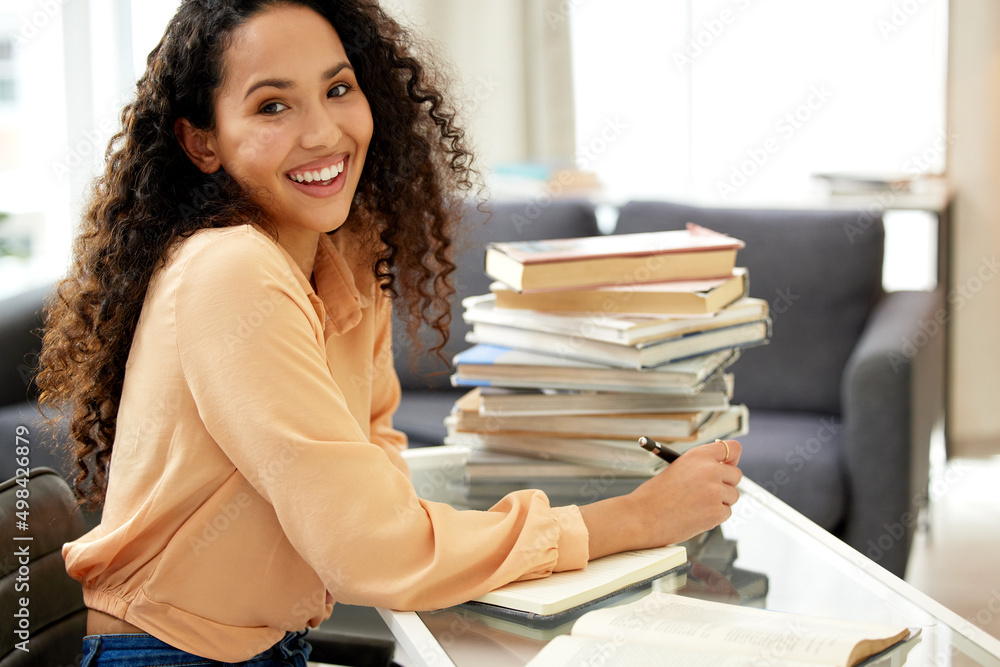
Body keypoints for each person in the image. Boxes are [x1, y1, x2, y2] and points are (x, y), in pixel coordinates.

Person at [36, 0, 743, 664]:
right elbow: (372, 546)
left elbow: (373, 467)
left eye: (338, 89)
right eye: (273, 105)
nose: (322, 132)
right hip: (163, 650)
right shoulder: (231, 268)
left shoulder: (341, 250)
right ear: (202, 141)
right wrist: (631, 518)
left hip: (270, 642)